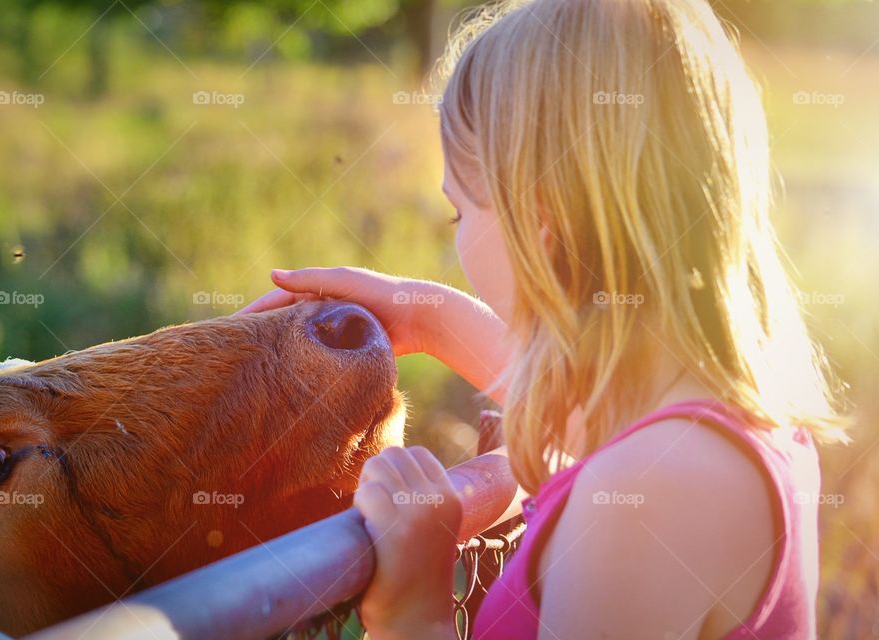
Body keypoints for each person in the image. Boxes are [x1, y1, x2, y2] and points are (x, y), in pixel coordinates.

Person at [241, 0, 847, 637]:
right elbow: (594, 409)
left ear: (541, 220)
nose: (457, 239)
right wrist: (429, 320)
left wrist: (414, 611)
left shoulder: (645, 502)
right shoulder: (723, 435)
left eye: (460, 212)